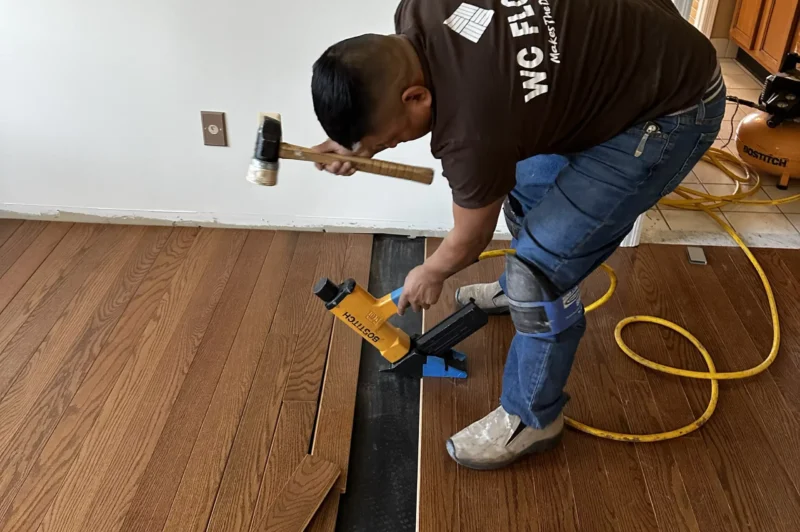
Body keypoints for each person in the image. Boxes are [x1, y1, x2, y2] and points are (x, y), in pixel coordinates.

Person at [310, 0, 724, 470]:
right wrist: (355, 142)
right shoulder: (419, 11)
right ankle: (518, 295)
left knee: (540, 272)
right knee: (522, 184)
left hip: (671, 111)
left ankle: (534, 417)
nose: (388, 147)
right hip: (643, 55)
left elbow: (469, 239)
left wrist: (431, 271)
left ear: (417, 98)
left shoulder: (472, 126)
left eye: (388, 140)